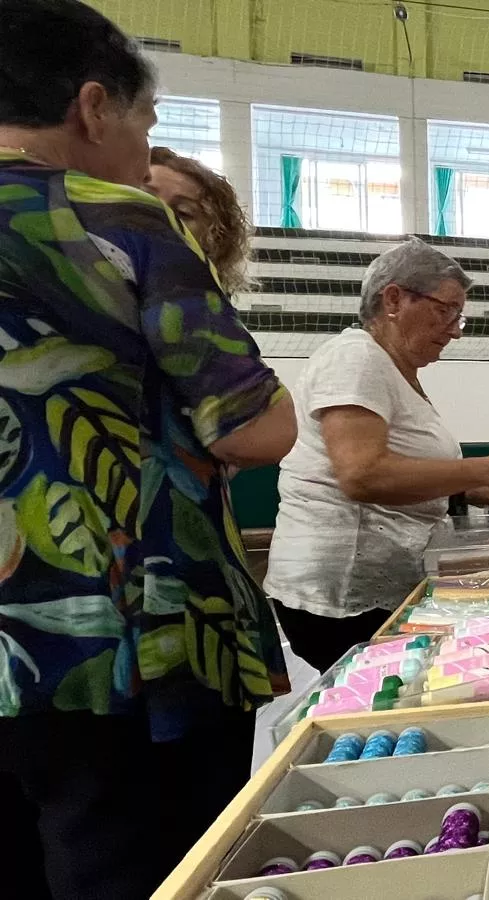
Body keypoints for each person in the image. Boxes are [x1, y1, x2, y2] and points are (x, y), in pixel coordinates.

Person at [0, 2, 299, 897]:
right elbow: (256, 426)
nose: (141, 148)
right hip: (114, 635)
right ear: (93, 106)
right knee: (141, 864)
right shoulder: (115, 219)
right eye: (144, 123)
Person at [265, 238, 489, 672]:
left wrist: (476, 487)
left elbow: (401, 462)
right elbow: (361, 475)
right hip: (344, 597)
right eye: (445, 310)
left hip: (378, 584)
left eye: (460, 316)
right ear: (394, 299)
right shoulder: (356, 358)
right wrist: (486, 466)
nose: (455, 329)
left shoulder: (391, 368)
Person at [147, 146, 252, 294]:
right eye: (144, 198)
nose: (159, 215)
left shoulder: (209, 312)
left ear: (212, 242)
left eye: (182, 212)